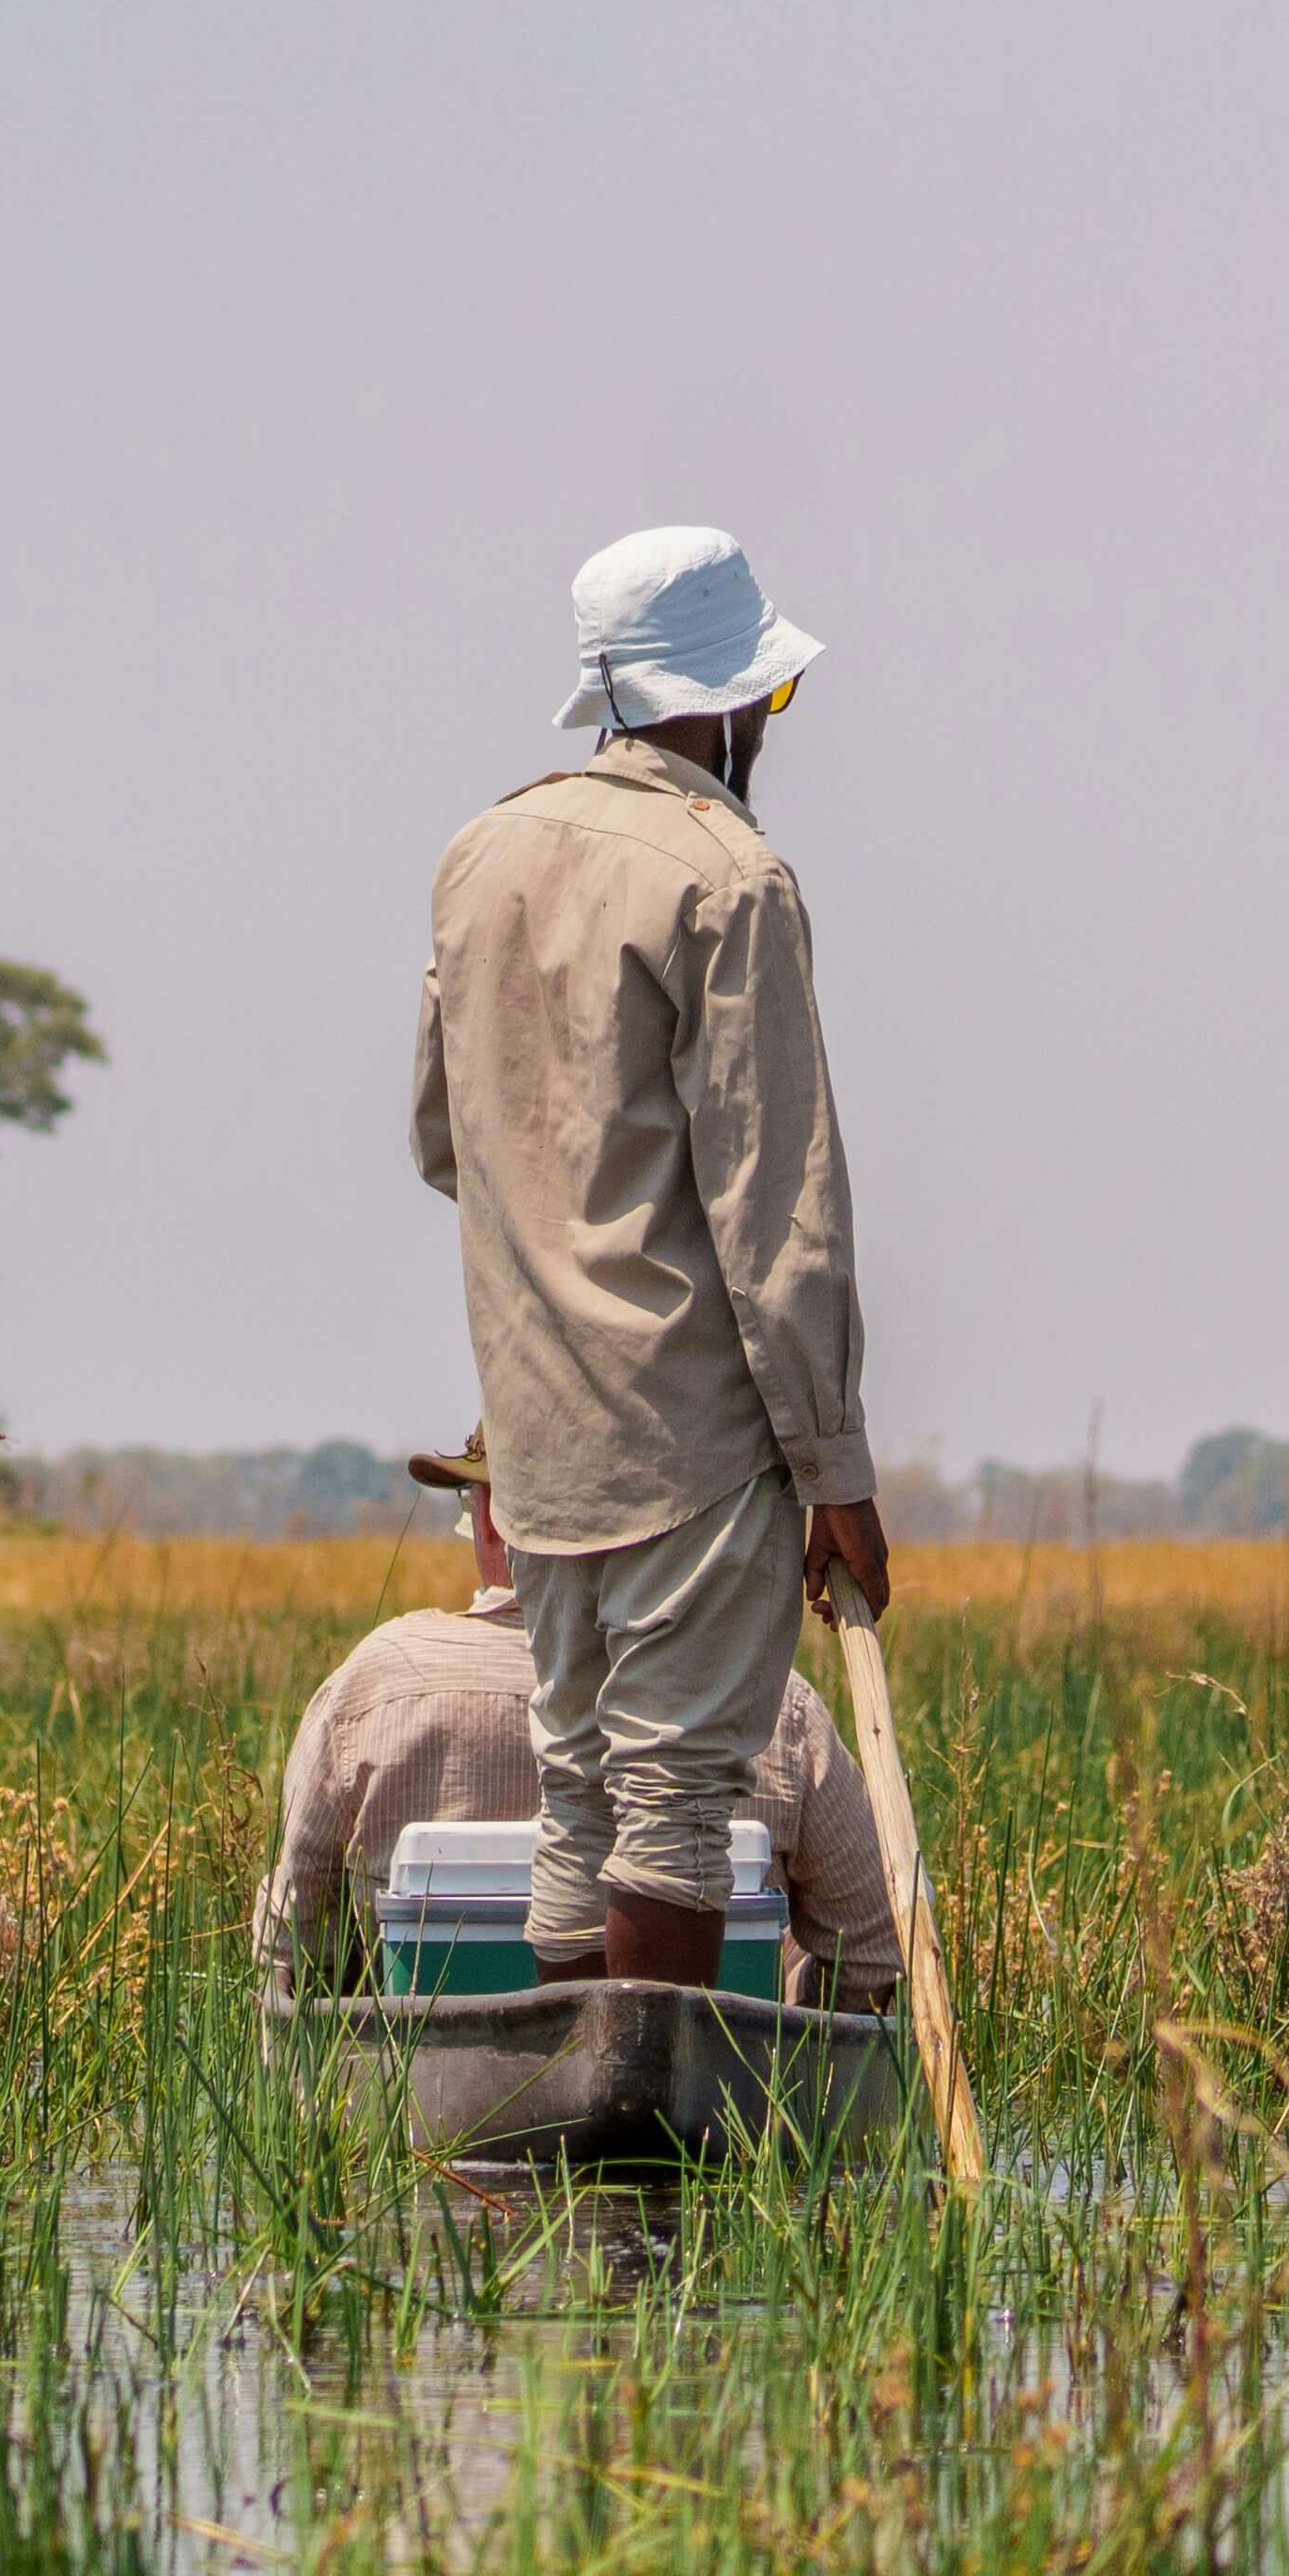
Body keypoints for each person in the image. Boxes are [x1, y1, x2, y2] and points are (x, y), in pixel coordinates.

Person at [412, 524, 888, 1991]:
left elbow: (443, 1142)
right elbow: (780, 1214)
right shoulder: (731, 878)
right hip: (694, 1435)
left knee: (580, 1791)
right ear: (732, 702)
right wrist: (837, 1476)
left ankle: (558, 2162)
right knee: (677, 1800)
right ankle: (641, 2163)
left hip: (544, 1440)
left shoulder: (479, 856)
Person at [256, 1435, 900, 2004]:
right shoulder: (774, 1702)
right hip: (718, 2106)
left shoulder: (375, 1684)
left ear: (498, 1524)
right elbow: (873, 1956)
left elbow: (292, 1948)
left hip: (426, 2102)